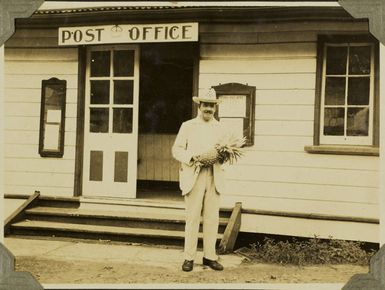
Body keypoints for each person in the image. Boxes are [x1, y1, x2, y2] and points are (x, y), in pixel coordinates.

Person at [172, 88, 227, 272]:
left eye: (211, 106)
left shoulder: (220, 128)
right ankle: (189, 258)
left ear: (215, 108)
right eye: (205, 105)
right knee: (192, 217)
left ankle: (209, 257)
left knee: (212, 218)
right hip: (193, 174)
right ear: (199, 106)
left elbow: (226, 152)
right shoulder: (188, 126)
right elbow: (177, 149)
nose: (208, 109)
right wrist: (193, 158)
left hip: (214, 175)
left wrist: (221, 156)